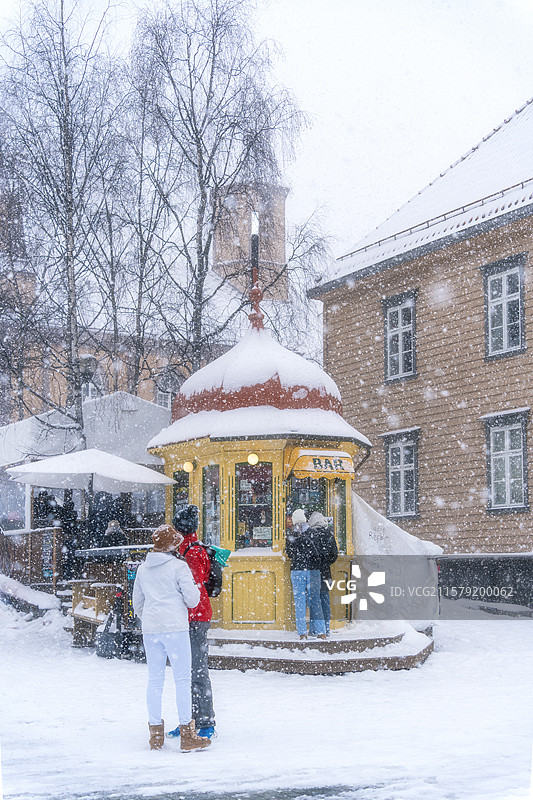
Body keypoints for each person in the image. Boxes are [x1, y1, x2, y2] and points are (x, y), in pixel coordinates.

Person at [132, 524, 211, 753]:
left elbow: (137, 603)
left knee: (155, 680)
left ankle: (155, 734)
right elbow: (193, 599)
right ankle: (188, 734)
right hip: (175, 628)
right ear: (173, 546)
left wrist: (150, 616)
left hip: (151, 629)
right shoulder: (179, 567)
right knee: (183, 680)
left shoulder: (143, 569)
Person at [167, 504, 216, 740]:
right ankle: (189, 720)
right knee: (186, 671)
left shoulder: (192, 552)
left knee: (196, 670)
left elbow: (192, 590)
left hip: (193, 617)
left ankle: (204, 721)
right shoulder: (187, 549)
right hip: (189, 617)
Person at [285, 508, 326, 640]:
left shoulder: (291, 536)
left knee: (299, 602)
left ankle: (302, 632)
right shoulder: (313, 533)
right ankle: (321, 631)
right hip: (313, 571)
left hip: (297, 570)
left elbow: (289, 553)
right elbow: (319, 552)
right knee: (315, 601)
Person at [308, 511, 338, 637]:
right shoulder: (329, 534)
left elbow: (309, 554)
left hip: (313, 571)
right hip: (326, 572)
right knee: (325, 600)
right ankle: (326, 627)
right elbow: (334, 554)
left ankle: (315, 628)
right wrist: (326, 563)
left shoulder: (311, 534)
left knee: (314, 600)